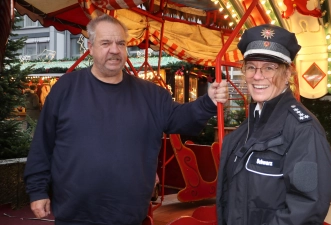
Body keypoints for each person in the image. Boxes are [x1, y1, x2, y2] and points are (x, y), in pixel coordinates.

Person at [24, 14, 228, 225]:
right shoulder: (65, 88)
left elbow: (182, 119)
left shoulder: (151, 95)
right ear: (91, 46)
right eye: (106, 43)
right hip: (74, 214)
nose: (114, 49)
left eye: (120, 43)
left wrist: (208, 102)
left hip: (128, 214)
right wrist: (37, 190)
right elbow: (43, 144)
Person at [216, 24, 331, 224]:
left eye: (269, 68)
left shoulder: (304, 131)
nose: (257, 75)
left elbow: (306, 208)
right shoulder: (248, 127)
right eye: (251, 66)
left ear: (287, 74)